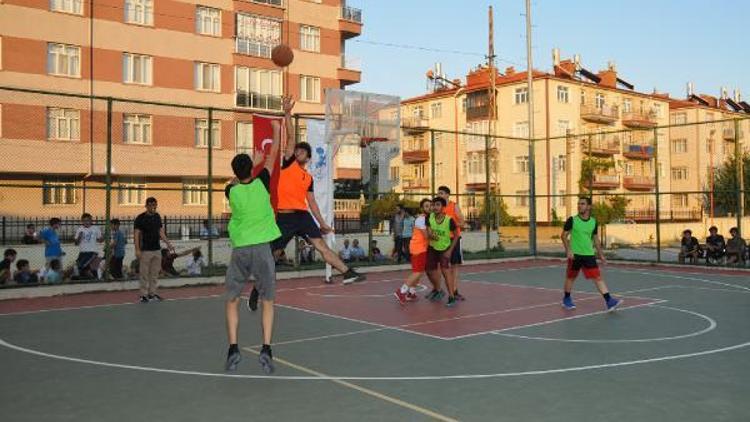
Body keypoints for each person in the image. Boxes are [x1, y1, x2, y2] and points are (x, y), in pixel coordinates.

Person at [268, 95, 363, 286]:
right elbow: (292, 137)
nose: (297, 153)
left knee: (321, 245)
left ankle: (347, 272)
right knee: (274, 254)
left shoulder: (308, 178)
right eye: (296, 151)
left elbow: (312, 203)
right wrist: (287, 113)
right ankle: (259, 286)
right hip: (285, 217)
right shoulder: (288, 164)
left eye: (301, 152)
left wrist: (322, 223)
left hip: (303, 216)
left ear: (309, 158)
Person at [223, 118, 282, 374]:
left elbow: (237, 182)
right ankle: (266, 348)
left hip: (240, 250)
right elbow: (273, 155)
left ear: (235, 172)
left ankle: (233, 347)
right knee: (268, 301)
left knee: (232, 300)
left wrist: (252, 164)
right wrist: (277, 131)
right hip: (262, 248)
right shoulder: (262, 183)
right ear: (253, 168)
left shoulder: (231, 191)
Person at [561, 197, 621, 312]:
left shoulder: (593, 222)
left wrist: (601, 255)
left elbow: (595, 239)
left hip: (589, 255)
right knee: (571, 277)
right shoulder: (572, 220)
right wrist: (568, 250)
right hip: (575, 255)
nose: (579, 206)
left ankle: (609, 301)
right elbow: (563, 235)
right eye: (579, 204)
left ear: (589, 206)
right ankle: (566, 298)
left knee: (598, 277)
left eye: (582, 204)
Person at [134, 197, 174, 303]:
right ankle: (143, 295)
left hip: (157, 250)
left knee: (154, 274)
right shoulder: (140, 218)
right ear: (146, 206)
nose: (153, 207)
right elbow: (136, 234)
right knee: (144, 274)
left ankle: (152, 294)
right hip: (145, 250)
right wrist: (137, 249)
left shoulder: (157, 216)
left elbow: (160, 231)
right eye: (150, 205)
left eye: (154, 205)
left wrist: (168, 243)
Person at [425, 197, 461, 307]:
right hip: (432, 247)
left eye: (437, 205)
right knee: (428, 270)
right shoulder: (429, 217)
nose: (435, 207)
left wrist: (450, 250)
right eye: (433, 205)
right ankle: (438, 289)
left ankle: (451, 297)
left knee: (446, 272)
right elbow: (428, 229)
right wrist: (430, 234)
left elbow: (456, 235)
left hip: (444, 248)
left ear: (443, 207)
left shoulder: (449, 220)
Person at [395, 198, 432, 304]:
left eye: (430, 206)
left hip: (421, 248)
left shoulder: (426, 218)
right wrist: (435, 235)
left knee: (419, 272)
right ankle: (401, 291)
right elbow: (426, 235)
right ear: (422, 208)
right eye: (426, 206)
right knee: (417, 272)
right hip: (418, 248)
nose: (429, 208)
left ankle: (411, 292)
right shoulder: (421, 219)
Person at [437, 186, 466, 301]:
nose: (439, 195)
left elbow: (462, 221)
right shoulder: (438, 207)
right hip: (441, 241)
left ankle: (454, 290)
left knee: (454, 266)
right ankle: (438, 290)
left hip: (453, 239)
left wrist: (452, 226)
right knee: (440, 267)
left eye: (442, 193)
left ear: (448, 195)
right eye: (438, 193)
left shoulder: (454, 206)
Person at [74, 213, 103, 279]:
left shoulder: (95, 228)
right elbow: (76, 243)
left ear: (91, 221)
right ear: (82, 221)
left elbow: (100, 240)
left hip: (92, 252)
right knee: (79, 266)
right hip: (82, 252)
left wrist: (102, 238)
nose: (86, 222)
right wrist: (79, 237)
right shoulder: (80, 229)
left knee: (83, 266)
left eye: (88, 220)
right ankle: (89, 279)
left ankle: (94, 279)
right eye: (84, 221)